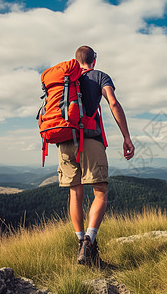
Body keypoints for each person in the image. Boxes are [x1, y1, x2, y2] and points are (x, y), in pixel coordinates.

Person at [57, 45, 134, 266]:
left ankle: (81, 243)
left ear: (75, 60)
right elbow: (113, 103)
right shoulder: (100, 76)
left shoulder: (65, 79)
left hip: (64, 141)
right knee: (100, 192)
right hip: (90, 139)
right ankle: (89, 243)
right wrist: (126, 137)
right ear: (94, 60)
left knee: (75, 194)